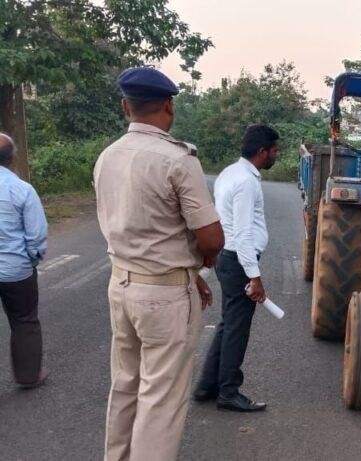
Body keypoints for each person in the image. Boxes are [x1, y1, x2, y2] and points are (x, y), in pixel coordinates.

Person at [95, 67, 224, 461]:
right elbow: (212, 239)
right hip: (165, 297)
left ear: (125, 107)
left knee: (125, 385)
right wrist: (196, 265)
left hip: (122, 285)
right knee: (161, 399)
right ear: (169, 105)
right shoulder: (178, 160)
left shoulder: (107, 157)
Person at [193, 124, 278, 412]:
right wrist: (255, 277)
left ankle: (207, 385)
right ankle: (228, 392)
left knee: (229, 323)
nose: (276, 155)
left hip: (227, 258)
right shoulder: (246, 182)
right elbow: (242, 234)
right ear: (262, 151)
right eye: (274, 150)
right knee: (237, 328)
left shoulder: (230, 173)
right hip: (238, 260)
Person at [0, 132, 48, 389]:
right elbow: (36, 235)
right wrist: (31, 259)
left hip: (14, 268)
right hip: (15, 271)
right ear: (12, 158)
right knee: (24, 321)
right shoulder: (22, 190)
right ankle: (29, 376)